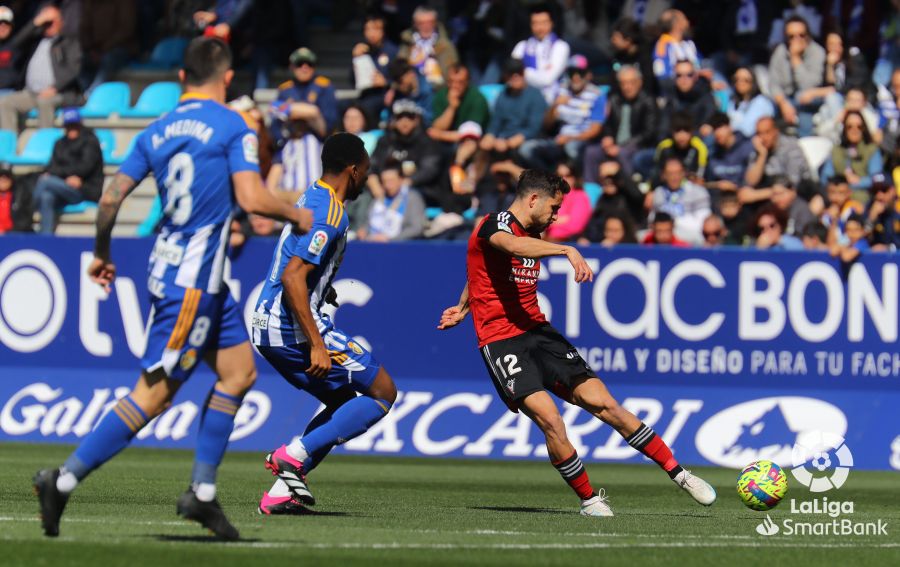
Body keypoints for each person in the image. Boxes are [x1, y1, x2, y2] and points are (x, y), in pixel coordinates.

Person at [32, 37, 314, 540]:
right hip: (192, 283)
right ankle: (63, 479)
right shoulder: (232, 124)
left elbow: (111, 198)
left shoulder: (156, 129)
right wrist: (295, 212)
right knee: (155, 395)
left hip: (191, 277)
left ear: (182, 78)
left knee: (238, 372)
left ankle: (202, 494)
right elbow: (251, 198)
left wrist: (102, 253)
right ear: (227, 79)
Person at [437, 169, 715, 517]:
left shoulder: (536, 231)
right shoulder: (493, 226)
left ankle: (680, 474)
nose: (556, 215)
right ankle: (589, 500)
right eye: (554, 207)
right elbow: (509, 247)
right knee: (551, 419)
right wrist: (566, 249)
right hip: (501, 342)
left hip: (540, 333)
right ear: (533, 199)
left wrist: (463, 307)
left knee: (606, 405)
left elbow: (481, 273)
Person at [252, 133, 398, 514]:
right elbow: (293, 277)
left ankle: (282, 494)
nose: (367, 178)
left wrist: (322, 290)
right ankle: (291, 456)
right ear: (353, 170)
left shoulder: (312, 195)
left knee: (343, 403)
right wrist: (317, 343)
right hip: (289, 327)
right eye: (365, 170)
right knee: (382, 392)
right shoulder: (331, 212)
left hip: (269, 322)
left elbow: (298, 269)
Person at [0, 5, 81, 131]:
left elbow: (73, 70)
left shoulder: (68, 42)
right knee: (5, 103)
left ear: (61, 22)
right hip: (31, 93)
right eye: (46, 23)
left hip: (59, 93)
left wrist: (55, 88)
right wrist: (36, 22)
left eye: (52, 21)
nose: (49, 25)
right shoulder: (36, 41)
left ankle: (44, 142)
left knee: (45, 102)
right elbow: (16, 43)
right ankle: (8, 144)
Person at [518, 55, 605, 171]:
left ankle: (576, 183)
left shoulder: (596, 95)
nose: (576, 77)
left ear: (588, 75)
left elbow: (595, 130)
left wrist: (570, 138)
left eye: (580, 73)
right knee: (526, 149)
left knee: (571, 149)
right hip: (559, 139)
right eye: (572, 72)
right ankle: (550, 180)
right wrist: (555, 105)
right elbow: (546, 125)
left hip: (581, 140)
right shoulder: (561, 90)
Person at [30, 108, 103, 234]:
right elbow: (51, 167)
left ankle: (27, 213)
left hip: (84, 189)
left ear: (80, 125)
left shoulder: (90, 141)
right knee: (46, 196)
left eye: (74, 126)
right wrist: (66, 176)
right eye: (69, 126)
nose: (72, 129)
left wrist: (60, 174)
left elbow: (84, 168)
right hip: (62, 188)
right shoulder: (59, 143)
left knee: (45, 181)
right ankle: (45, 238)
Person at [583, 65, 658, 180]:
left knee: (622, 154)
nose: (627, 87)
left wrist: (622, 146)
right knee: (591, 152)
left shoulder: (648, 101)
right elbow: (607, 124)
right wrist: (607, 137)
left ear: (639, 82)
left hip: (637, 146)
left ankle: (629, 188)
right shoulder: (614, 99)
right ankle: (591, 191)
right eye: (623, 83)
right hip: (614, 144)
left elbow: (648, 133)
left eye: (631, 82)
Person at [767, 16, 827, 136]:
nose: (797, 39)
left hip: (810, 100)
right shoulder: (780, 52)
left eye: (801, 35)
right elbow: (773, 84)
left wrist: (795, 58)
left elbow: (809, 86)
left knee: (802, 100)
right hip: (785, 100)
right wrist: (783, 103)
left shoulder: (817, 52)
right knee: (764, 104)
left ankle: (804, 142)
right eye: (791, 36)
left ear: (808, 35)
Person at [742, 117, 815, 207]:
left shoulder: (790, 146)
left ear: (775, 131)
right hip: (772, 195)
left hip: (798, 194)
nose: (763, 138)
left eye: (767, 132)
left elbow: (792, 183)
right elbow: (750, 182)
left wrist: (757, 195)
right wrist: (762, 155)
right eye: (759, 133)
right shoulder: (759, 150)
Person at [271, 48, 337, 143]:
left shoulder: (324, 86)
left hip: (318, 142)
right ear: (292, 67)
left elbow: (329, 124)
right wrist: (307, 112)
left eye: (309, 64)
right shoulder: (285, 89)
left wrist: (291, 110)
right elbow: (274, 115)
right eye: (299, 63)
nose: (304, 67)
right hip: (290, 141)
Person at [511, 4, 570, 104]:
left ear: (551, 23)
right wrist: (538, 74)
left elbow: (547, 80)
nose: (539, 27)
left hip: (551, 101)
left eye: (544, 22)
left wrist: (524, 72)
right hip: (523, 99)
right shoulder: (521, 46)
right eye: (535, 23)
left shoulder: (560, 47)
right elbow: (512, 76)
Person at [358, 161, 426, 242]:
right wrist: (364, 231)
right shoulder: (378, 200)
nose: (387, 185)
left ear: (401, 180)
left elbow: (416, 228)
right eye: (384, 181)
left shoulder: (412, 198)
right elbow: (368, 223)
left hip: (399, 247)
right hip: (373, 244)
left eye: (391, 181)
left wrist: (390, 239)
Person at [649, 157, 712, 244]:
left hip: (689, 238)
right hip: (662, 237)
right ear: (663, 175)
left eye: (677, 173)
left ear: (684, 173)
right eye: (670, 173)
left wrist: (673, 223)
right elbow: (652, 219)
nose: (674, 177)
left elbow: (702, 224)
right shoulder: (658, 193)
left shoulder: (698, 191)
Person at [821, 110, 883, 192]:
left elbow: (877, 179)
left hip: (863, 196)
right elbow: (826, 177)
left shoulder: (872, 150)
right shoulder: (836, 150)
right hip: (838, 195)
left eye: (859, 127)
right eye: (849, 126)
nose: (854, 130)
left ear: (864, 128)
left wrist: (860, 181)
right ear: (845, 128)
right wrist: (839, 184)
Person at [397, 5, 458, 87]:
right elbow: (399, 68)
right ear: (415, 24)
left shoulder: (446, 44)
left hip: (439, 89)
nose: (426, 27)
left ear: (435, 23)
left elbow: (454, 71)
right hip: (413, 88)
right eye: (421, 23)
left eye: (430, 22)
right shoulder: (407, 42)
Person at [706, 112, 753, 197]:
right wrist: (717, 185)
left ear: (730, 127)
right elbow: (707, 182)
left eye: (720, 127)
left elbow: (752, 181)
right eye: (714, 129)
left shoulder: (747, 147)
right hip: (721, 199)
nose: (717, 133)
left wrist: (735, 188)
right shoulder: (712, 152)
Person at [545, 162, 592, 242]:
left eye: (568, 175)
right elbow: (541, 222)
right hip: (548, 240)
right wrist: (563, 220)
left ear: (575, 177)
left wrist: (552, 224)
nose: (563, 179)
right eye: (559, 176)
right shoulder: (550, 196)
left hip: (567, 242)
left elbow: (576, 226)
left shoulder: (580, 196)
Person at [726, 66, 775, 138]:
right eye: (736, 79)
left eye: (745, 80)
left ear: (753, 82)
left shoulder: (761, 102)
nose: (740, 83)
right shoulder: (732, 102)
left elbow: (747, 130)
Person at [866, 174, 900, 251]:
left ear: (893, 190)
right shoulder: (869, 208)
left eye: (884, 190)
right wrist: (871, 220)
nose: (879, 196)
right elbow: (859, 238)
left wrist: (889, 248)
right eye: (875, 191)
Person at [0, 6, 21, 95]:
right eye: (0, 23)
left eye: (7, 23)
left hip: (9, 92)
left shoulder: (18, 44)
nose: (3, 26)